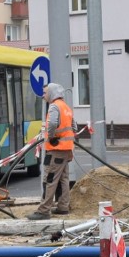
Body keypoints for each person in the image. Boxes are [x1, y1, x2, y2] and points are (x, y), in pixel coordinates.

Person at [27, 82, 77, 221]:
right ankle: (63, 207)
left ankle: (43, 211)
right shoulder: (65, 107)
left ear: (52, 93)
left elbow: (53, 123)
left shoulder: (54, 106)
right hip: (66, 150)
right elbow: (74, 126)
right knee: (63, 179)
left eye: (45, 93)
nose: (43, 96)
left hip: (56, 150)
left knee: (49, 179)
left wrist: (51, 136)